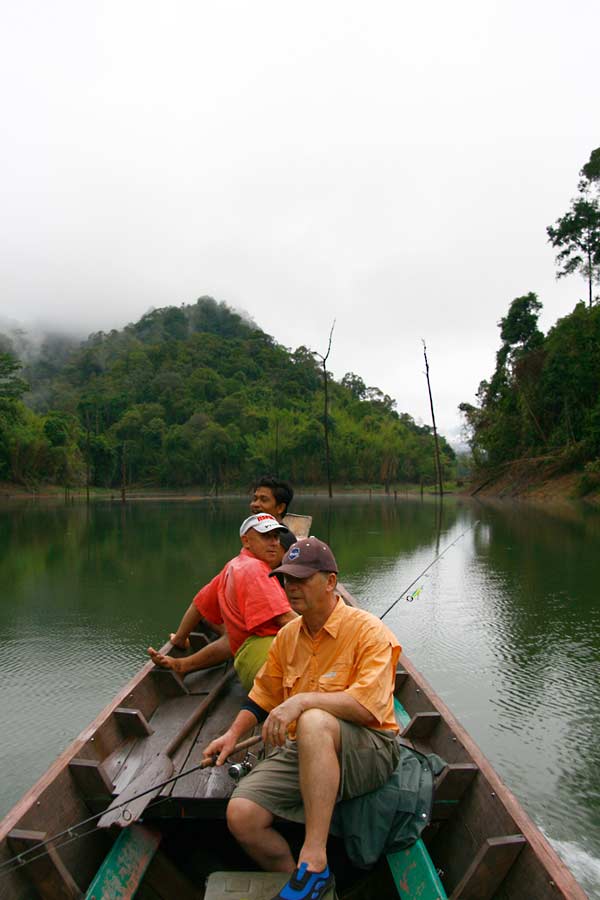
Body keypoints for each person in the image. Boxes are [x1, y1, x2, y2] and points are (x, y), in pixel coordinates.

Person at [202, 538, 401, 900]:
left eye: (301, 579)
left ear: (329, 582)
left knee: (312, 719)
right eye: (285, 580)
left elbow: (368, 708)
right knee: (241, 815)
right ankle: (301, 882)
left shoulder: (369, 632)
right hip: (307, 747)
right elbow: (262, 695)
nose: (290, 587)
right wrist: (232, 735)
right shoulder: (288, 635)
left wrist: (302, 702)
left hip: (370, 750)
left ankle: (314, 860)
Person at [147, 514, 297, 690]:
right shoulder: (255, 569)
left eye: (276, 537)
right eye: (266, 536)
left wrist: (180, 639)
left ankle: (184, 665)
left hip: (246, 662)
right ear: (246, 541)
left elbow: (199, 603)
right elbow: (286, 618)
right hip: (264, 662)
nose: (274, 543)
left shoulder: (233, 566)